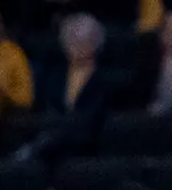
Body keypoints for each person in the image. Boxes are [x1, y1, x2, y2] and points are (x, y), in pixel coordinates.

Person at [29, 13, 114, 161]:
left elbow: (95, 115)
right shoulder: (54, 76)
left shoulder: (103, 79)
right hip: (54, 142)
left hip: (88, 142)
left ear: (95, 43)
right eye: (71, 40)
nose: (75, 46)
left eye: (82, 41)